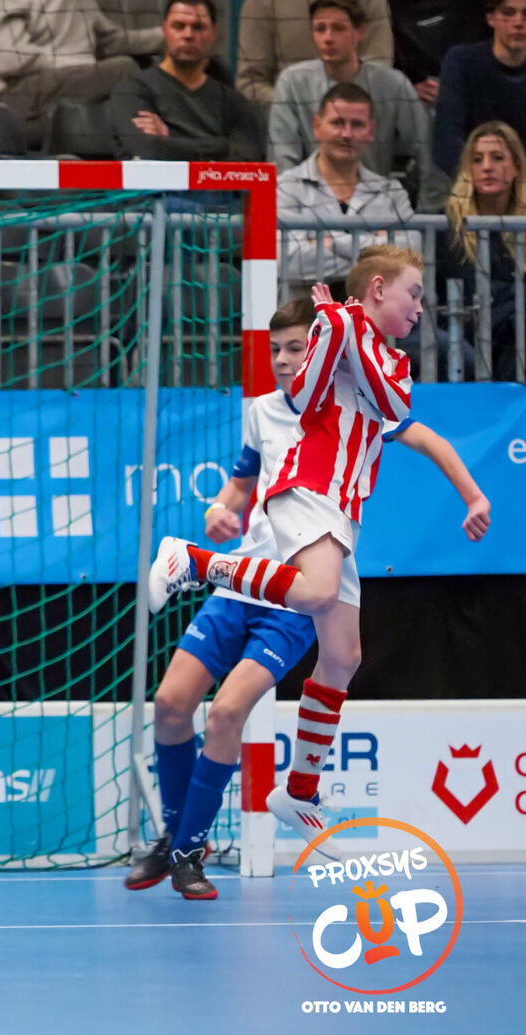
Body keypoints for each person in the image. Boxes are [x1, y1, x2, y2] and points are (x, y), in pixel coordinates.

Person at [130, 300, 492, 898]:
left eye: (296, 348)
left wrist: (472, 496)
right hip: (244, 579)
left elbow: (427, 438)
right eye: (275, 350)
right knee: (170, 704)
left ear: (323, 349)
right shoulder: (263, 412)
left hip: (292, 599)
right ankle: (175, 837)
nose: (282, 360)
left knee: (227, 712)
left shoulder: (353, 398)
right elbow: (240, 483)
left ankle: (192, 851)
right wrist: (220, 509)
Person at [148, 244, 429, 853]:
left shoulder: (391, 358)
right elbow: (305, 395)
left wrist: (351, 332)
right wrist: (336, 330)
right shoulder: (331, 328)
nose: (420, 307)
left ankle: (299, 793)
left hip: (343, 511)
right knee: (317, 593)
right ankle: (194, 561)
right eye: (413, 293)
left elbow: (394, 404)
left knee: (344, 657)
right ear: (379, 289)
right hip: (308, 488)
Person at [270, 0, 444, 209]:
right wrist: (291, 211)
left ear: (360, 31)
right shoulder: (292, 82)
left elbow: (427, 153)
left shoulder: (393, 84)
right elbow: (283, 159)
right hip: (309, 207)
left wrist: (426, 217)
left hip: (375, 204)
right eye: (320, 29)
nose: (328, 38)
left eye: (338, 28)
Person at [278, 83, 415, 293]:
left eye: (357, 125)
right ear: (317, 127)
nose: (347, 134)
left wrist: (328, 242)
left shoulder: (392, 193)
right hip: (306, 312)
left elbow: (409, 261)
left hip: (376, 313)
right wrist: (377, 249)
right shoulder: (285, 188)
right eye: (338, 123)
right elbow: (289, 263)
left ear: (371, 131)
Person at [0, 0, 163, 146]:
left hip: (60, 90)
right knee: (123, 69)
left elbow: (112, 42)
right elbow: (11, 61)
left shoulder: (81, 3)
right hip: (4, 101)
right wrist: (79, 63)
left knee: (143, 68)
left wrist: (167, 36)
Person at [109, 0, 264, 161]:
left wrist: (169, 139)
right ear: (164, 30)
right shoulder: (133, 91)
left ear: (214, 32)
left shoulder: (234, 102)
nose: (188, 35)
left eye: (198, 27)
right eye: (178, 26)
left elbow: (246, 158)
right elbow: (145, 150)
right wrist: (222, 147)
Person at [440, 122, 526, 380]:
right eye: (477, 160)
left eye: (497, 158)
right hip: (467, 331)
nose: (487, 167)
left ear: (516, 167)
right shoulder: (447, 227)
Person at [432, 1, 526, 179]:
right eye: (508, 13)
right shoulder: (462, 62)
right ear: (491, 17)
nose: (518, 22)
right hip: (473, 180)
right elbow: (447, 142)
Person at [236, 0, 392, 104]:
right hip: (289, 125)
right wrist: (295, 107)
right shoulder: (262, 3)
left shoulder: (371, 2)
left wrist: (345, 108)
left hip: (360, 125)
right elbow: (250, 83)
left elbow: (379, 71)